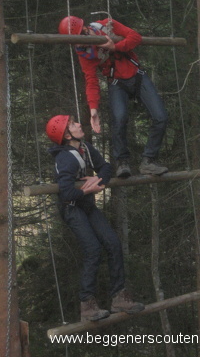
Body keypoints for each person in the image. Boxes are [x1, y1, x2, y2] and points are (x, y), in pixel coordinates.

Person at [46, 114, 144, 322]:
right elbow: (65, 192)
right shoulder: (65, 158)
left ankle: (119, 298)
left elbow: (106, 167)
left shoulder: (85, 148)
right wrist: (86, 191)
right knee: (93, 249)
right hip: (72, 208)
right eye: (73, 124)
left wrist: (98, 180)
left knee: (113, 243)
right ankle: (87, 305)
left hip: (86, 205)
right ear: (65, 135)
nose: (79, 124)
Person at [58, 15, 169, 178]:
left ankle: (148, 161)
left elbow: (135, 37)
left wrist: (115, 47)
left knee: (161, 117)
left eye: (78, 39)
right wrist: (93, 109)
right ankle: (122, 162)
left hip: (137, 75)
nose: (77, 44)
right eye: (73, 42)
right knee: (119, 119)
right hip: (116, 82)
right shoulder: (85, 54)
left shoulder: (106, 26)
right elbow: (91, 81)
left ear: (85, 30)